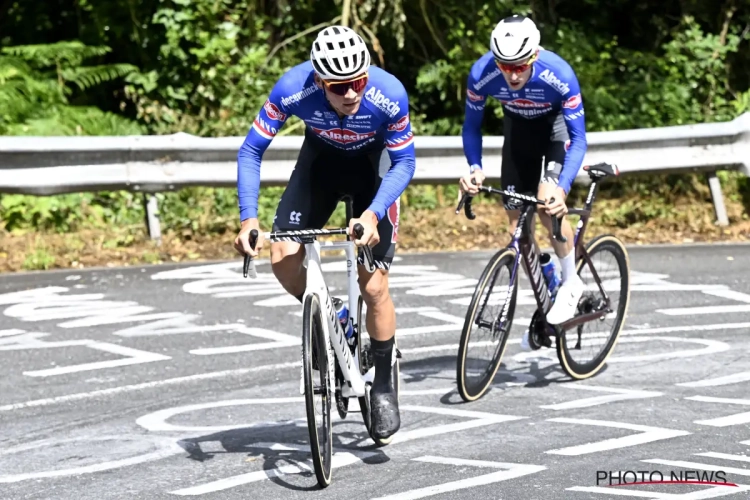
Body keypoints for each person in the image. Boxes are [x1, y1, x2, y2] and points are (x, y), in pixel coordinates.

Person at [233, 25, 415, 441]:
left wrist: (371, 215)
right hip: (321, 166)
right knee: (281, 256)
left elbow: (405, 163)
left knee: (374, 287)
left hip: (375, 172)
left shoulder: (390, 94)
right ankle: (333, 312)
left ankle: (383, 384)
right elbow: (251, 150)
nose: (352, 93)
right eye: (339, 86)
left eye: (358, 82)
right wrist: (248, 220)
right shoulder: (292, 89)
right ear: (319, 81)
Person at [458, 14, 587, 344]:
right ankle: (546, 276)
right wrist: (474, 167)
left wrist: (562, 188)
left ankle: (571, 281)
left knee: (547, 207)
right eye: (505, 66)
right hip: (518, 133)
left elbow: (579, 138)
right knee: (517, 223)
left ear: (534, 55)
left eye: (520, 65)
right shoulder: (482, 74)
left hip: (555, 131)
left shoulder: (559, 75)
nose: (513, 74)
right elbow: (472, 126)